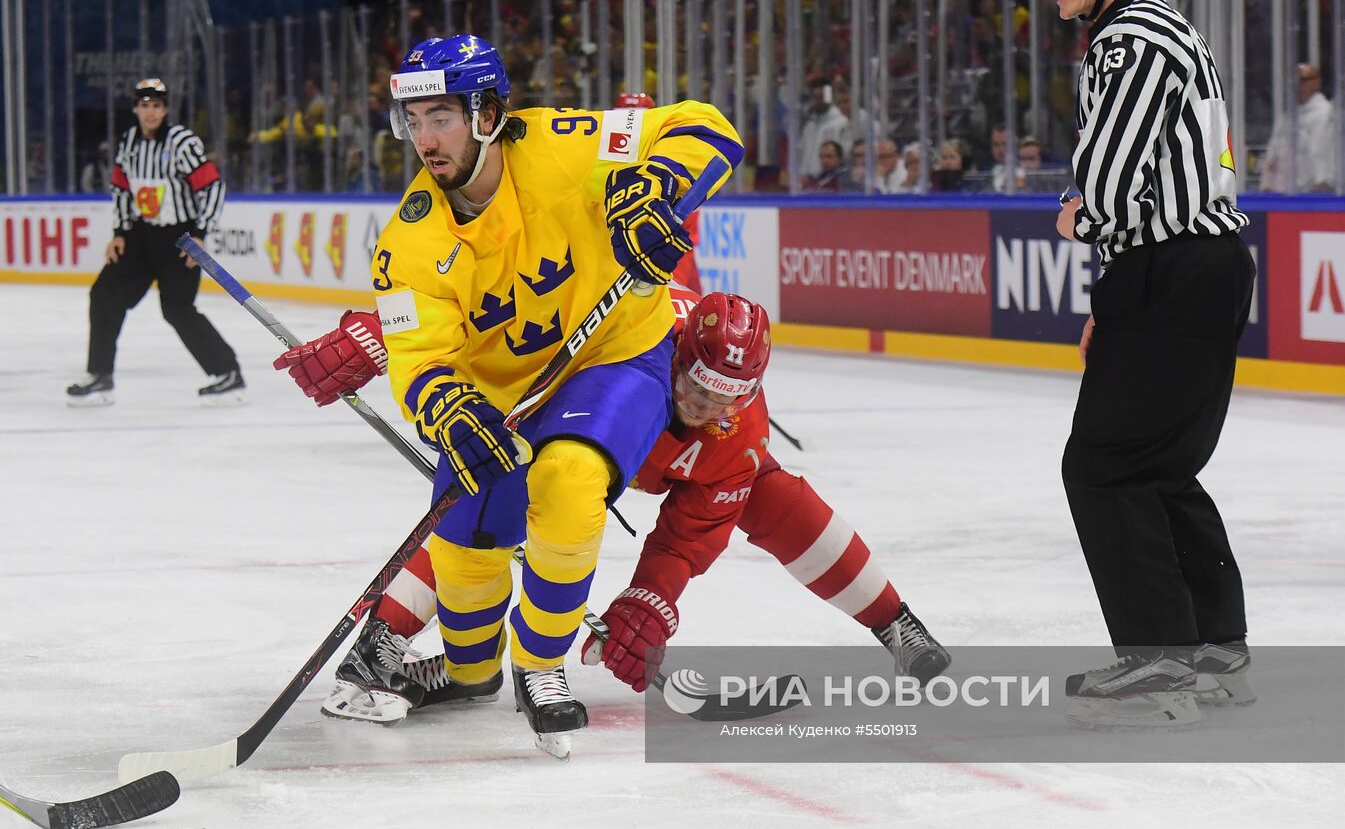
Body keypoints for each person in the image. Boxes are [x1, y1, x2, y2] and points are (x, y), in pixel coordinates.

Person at [291, 34, 739, 757]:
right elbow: (417, 352)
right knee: (466, 541)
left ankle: (541, 666)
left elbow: (705, 126)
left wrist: (647, 186)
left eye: (440, 117)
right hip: (497, 392)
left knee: (568, 478)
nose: (424, 139)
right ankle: (470, 673)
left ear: (489, 111)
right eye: (413, 121)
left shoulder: (567, 142)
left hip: (614, 353)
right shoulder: (407, 241)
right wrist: (447, 405)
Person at [274, 286, 949, 721]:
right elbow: (494, 304)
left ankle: (895, 622)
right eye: (699, 383)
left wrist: (648, 601)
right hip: (583, 411)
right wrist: (377, 330)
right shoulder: (623, 323)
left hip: (660, 461)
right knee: (492, 493)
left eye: (729, 394)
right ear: (677, 351)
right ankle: (390, 633)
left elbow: (690, 533)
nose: (708, 404)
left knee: (772, 495)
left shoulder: (732, 429)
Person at [1024, 0, 1257, 729]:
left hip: (1171, 271)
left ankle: (1161, 658)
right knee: (1156, 465)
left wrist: (1075, 213)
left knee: (1103, 467)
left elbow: (1112, 190)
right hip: (1190, 269)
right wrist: (1114, 289)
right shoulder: (1160, 26)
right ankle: (1212, 648)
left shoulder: (1126, 40)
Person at [66, 78, 245, 407]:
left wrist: (201, 234)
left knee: (177, 308)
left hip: (180, 237)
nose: (151, 112)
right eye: (145, 106)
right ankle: (100, 376)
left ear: (165, 110)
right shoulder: (129, 140)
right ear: (136, 108)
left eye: (157, 106)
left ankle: (228, 373)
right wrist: (119, 232)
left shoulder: (182, 142)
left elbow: (213, 186)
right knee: (105, 295)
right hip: (140, 234)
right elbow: (121, 187)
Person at [614, 91, 703, 295]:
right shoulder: (600, 172)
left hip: (665, 283)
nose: (633, 132)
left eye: (641, 122)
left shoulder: (673, 173)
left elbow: (681, 251)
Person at [1260, 63, 1336, 193]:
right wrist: (1267, 182)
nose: (1299, 85)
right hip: (1283, 191)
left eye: (1303, 80)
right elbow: (1273, 151)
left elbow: (1320, 152)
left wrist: (1321, 182)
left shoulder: (1326, 113)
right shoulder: (1287, 116)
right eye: (1295, 81)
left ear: (1317, 82)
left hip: (1314, 191)